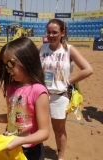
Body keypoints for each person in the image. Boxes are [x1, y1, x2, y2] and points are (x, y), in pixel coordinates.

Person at [0, 37, 50, 160]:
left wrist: (19, 141)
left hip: (30, 151)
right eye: (6, 66)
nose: (8, 70)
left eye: (10, 64)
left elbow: (44, 132)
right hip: (10, 144)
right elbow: (12, 117)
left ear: (26, 59)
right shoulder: (11, 88)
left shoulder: (38, 91)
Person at [37, 19, 93, 160]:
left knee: (59, 130)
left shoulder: (69, 49)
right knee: (38, 128)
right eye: (49, 32)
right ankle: (37, 153)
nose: (51, 35)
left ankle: (60, 157)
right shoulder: (41, 48)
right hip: (41, 95)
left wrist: (68, 82)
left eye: (55, 32)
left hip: (60, 96)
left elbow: (88, 70)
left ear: (62, 33)